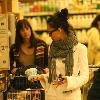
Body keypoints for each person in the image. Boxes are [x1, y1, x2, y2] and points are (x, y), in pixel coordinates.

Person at [28, 8, 89, 100]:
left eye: (50, 32)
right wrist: (42, 77)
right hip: (52, 96)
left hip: (70, 96)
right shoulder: (51, 48)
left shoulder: (80, 48)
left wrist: (68, 80)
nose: (49, 35)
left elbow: (85, 77)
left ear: (59, 29)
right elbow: (54, 75)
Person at [8, 19, 48, 100]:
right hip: (22, 84)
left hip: (39, 83)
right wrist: (14, 70)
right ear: (18, 32)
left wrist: (47, 69)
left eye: (27, 28)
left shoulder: (42, 45)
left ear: (30, 29)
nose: (25, 32)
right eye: (22, 30)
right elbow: (10, 67)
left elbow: (48, 63)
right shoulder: (14, 48)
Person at [87, 15, 100, 100]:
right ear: (98, 22)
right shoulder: (95, 31)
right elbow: (98, 45)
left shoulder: (93, 31)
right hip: (94, 62)